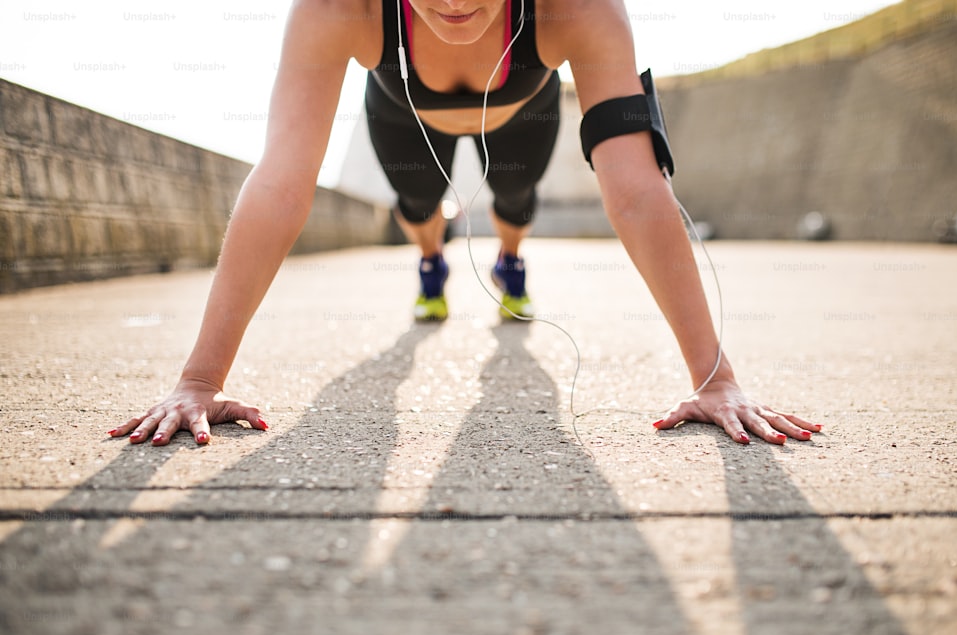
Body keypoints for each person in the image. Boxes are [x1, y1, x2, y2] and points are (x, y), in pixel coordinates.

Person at [109, 0, 821, 447]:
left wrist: (716, 376)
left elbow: (636, 190)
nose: (453, 2)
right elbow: (282, 184)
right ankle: (431, 265)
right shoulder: (339, 8)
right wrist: (200, 378)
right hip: (403, 109)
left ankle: (511, 263)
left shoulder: (581, 9)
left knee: (515, 209)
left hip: (522, 110)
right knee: (420, 214)